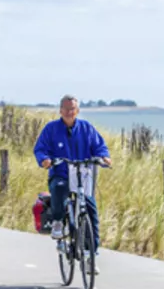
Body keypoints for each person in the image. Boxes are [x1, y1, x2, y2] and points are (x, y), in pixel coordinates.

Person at [33, 95, 111, 272]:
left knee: (90, 209)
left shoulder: (86, 128)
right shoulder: (51, 129)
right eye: (66, 109)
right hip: (61, 172)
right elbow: (40, 148)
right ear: (60, 110)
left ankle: (91, 255)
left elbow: (99, 146)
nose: (70, 112)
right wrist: (44, 159)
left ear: (77, 110)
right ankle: (59, 222)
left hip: (83, 174)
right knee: (59, 188)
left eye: (73, 109)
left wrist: (104, 157)